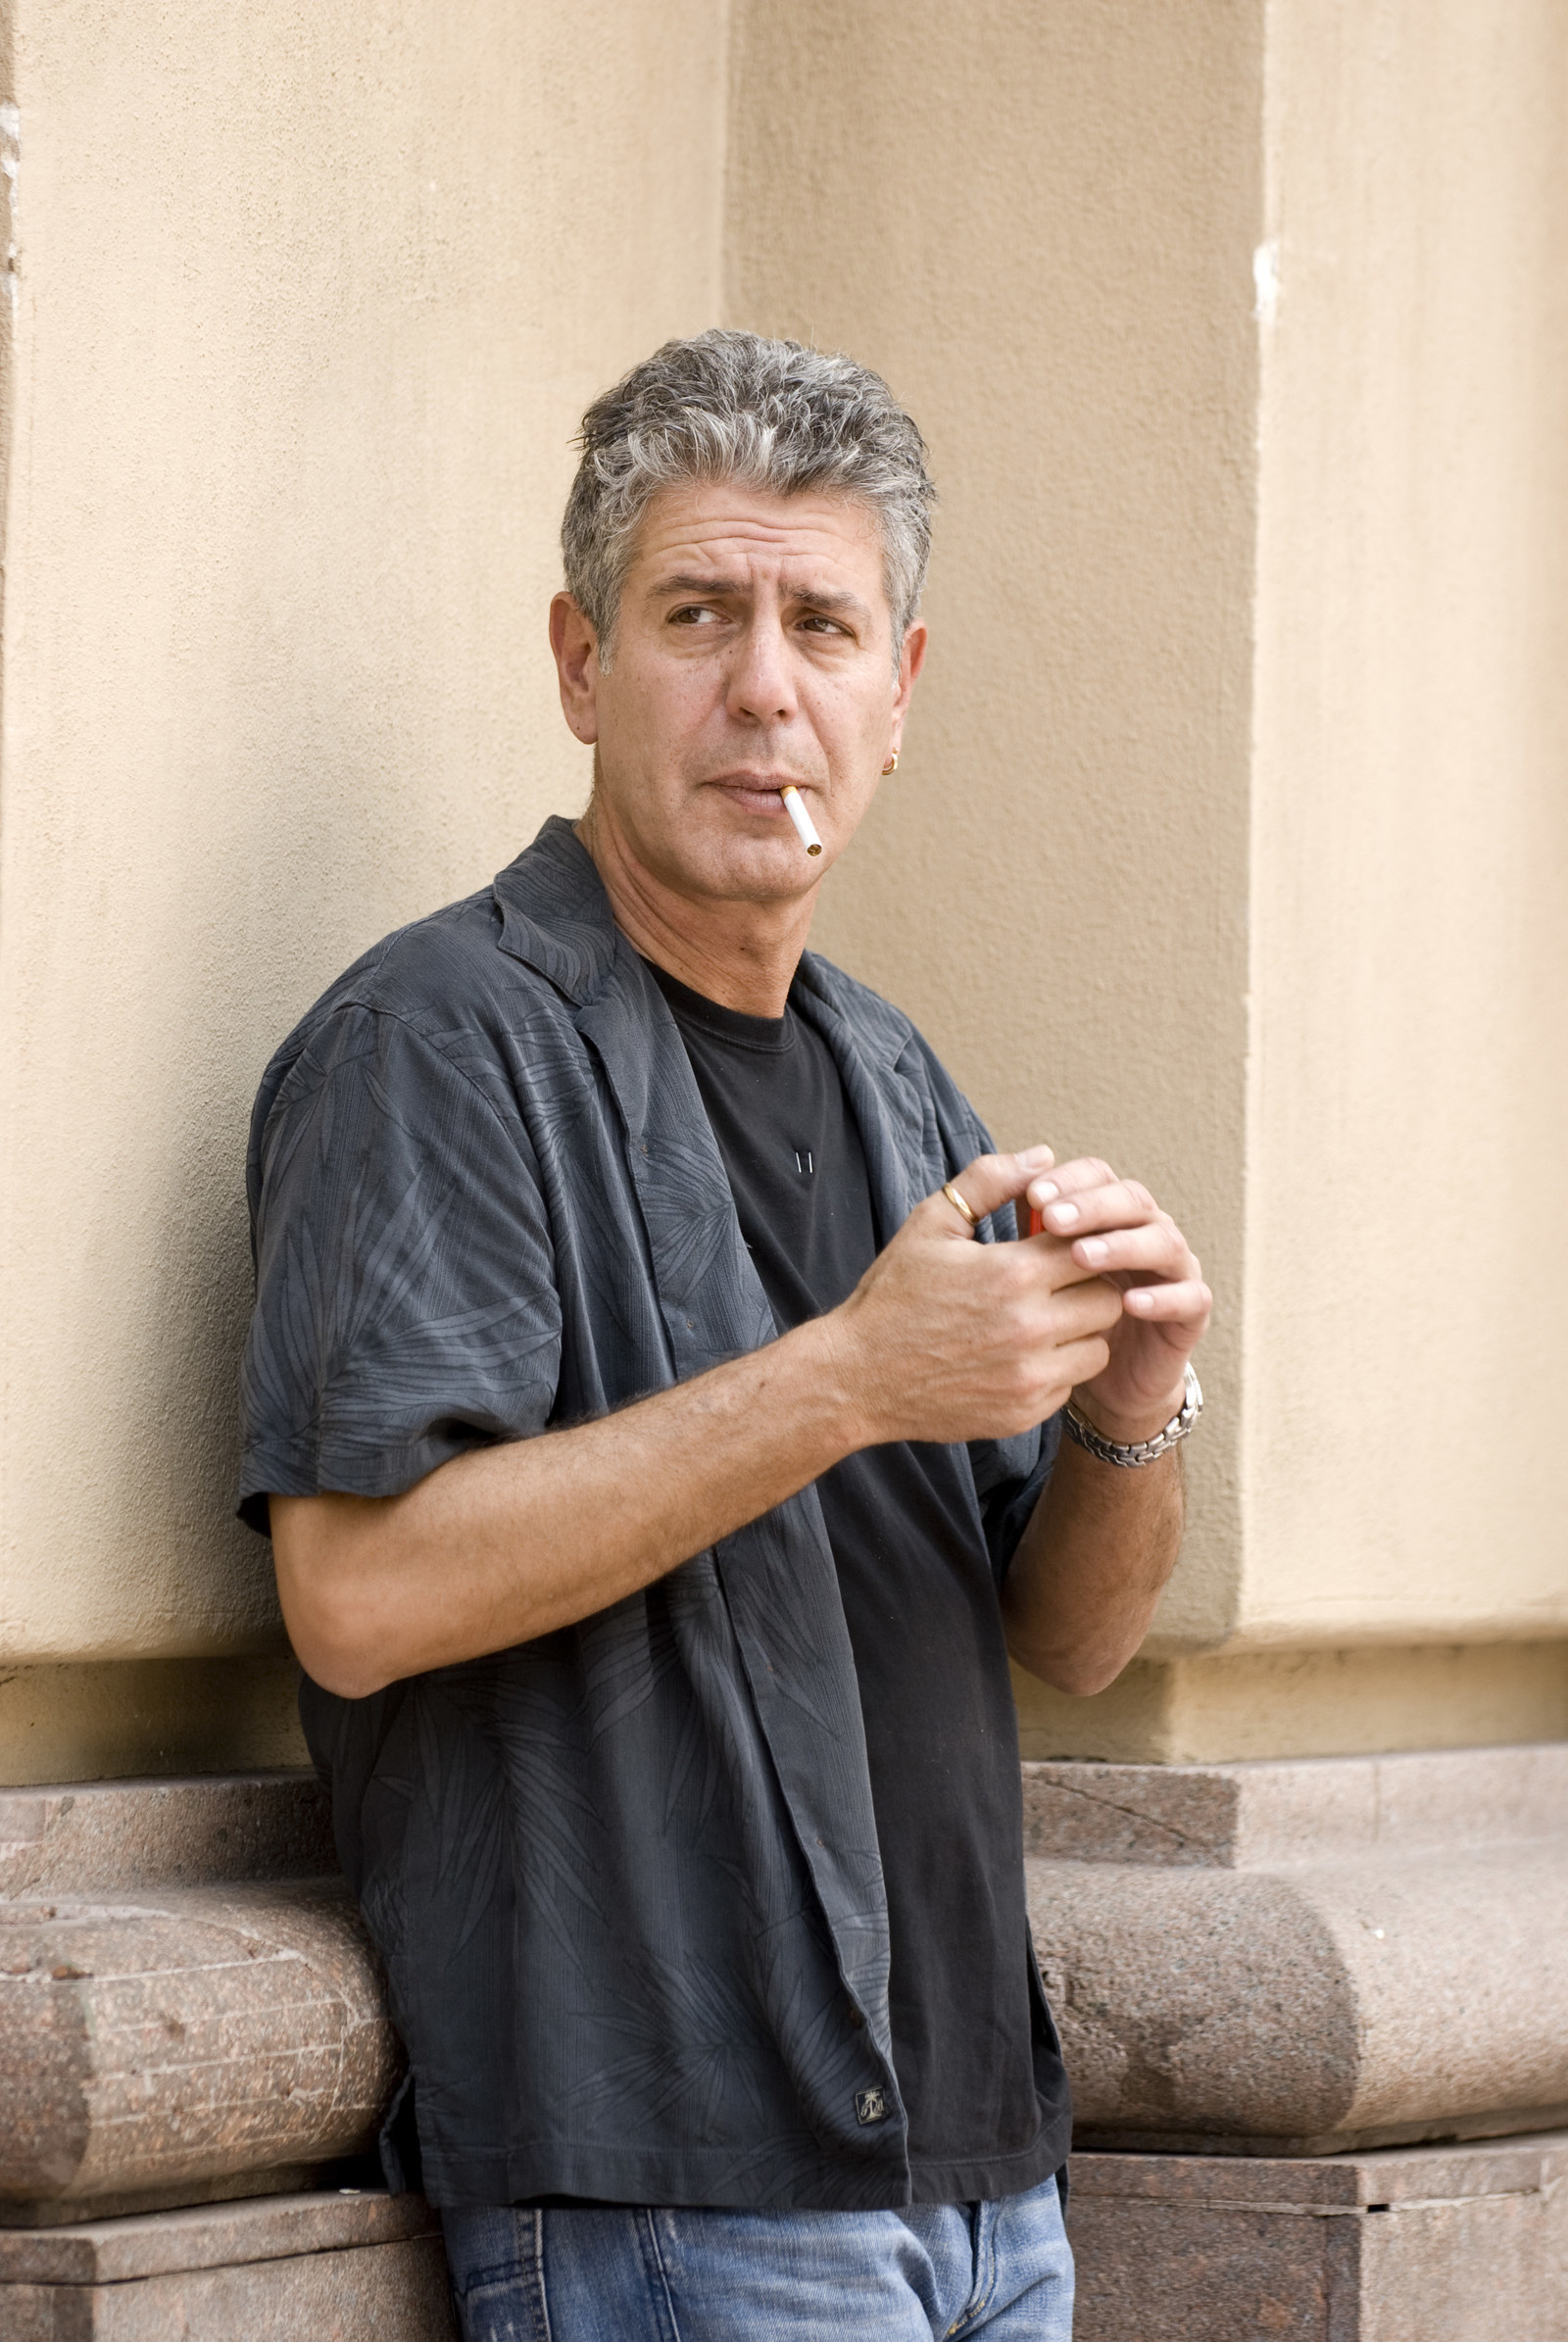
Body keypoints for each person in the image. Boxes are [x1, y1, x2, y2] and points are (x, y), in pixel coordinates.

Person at [239, 330, 1211, 2341]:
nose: (763, 683)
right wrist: (850, 1376)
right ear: (582, 665)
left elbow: (1076, 1637)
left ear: (898, 691)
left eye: (820, 625)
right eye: (697, 613)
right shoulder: (434, 1043)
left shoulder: (892, 1074)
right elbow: (356, 1591)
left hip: (980, 2180)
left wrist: (1133, 1406)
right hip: (676, 2191)